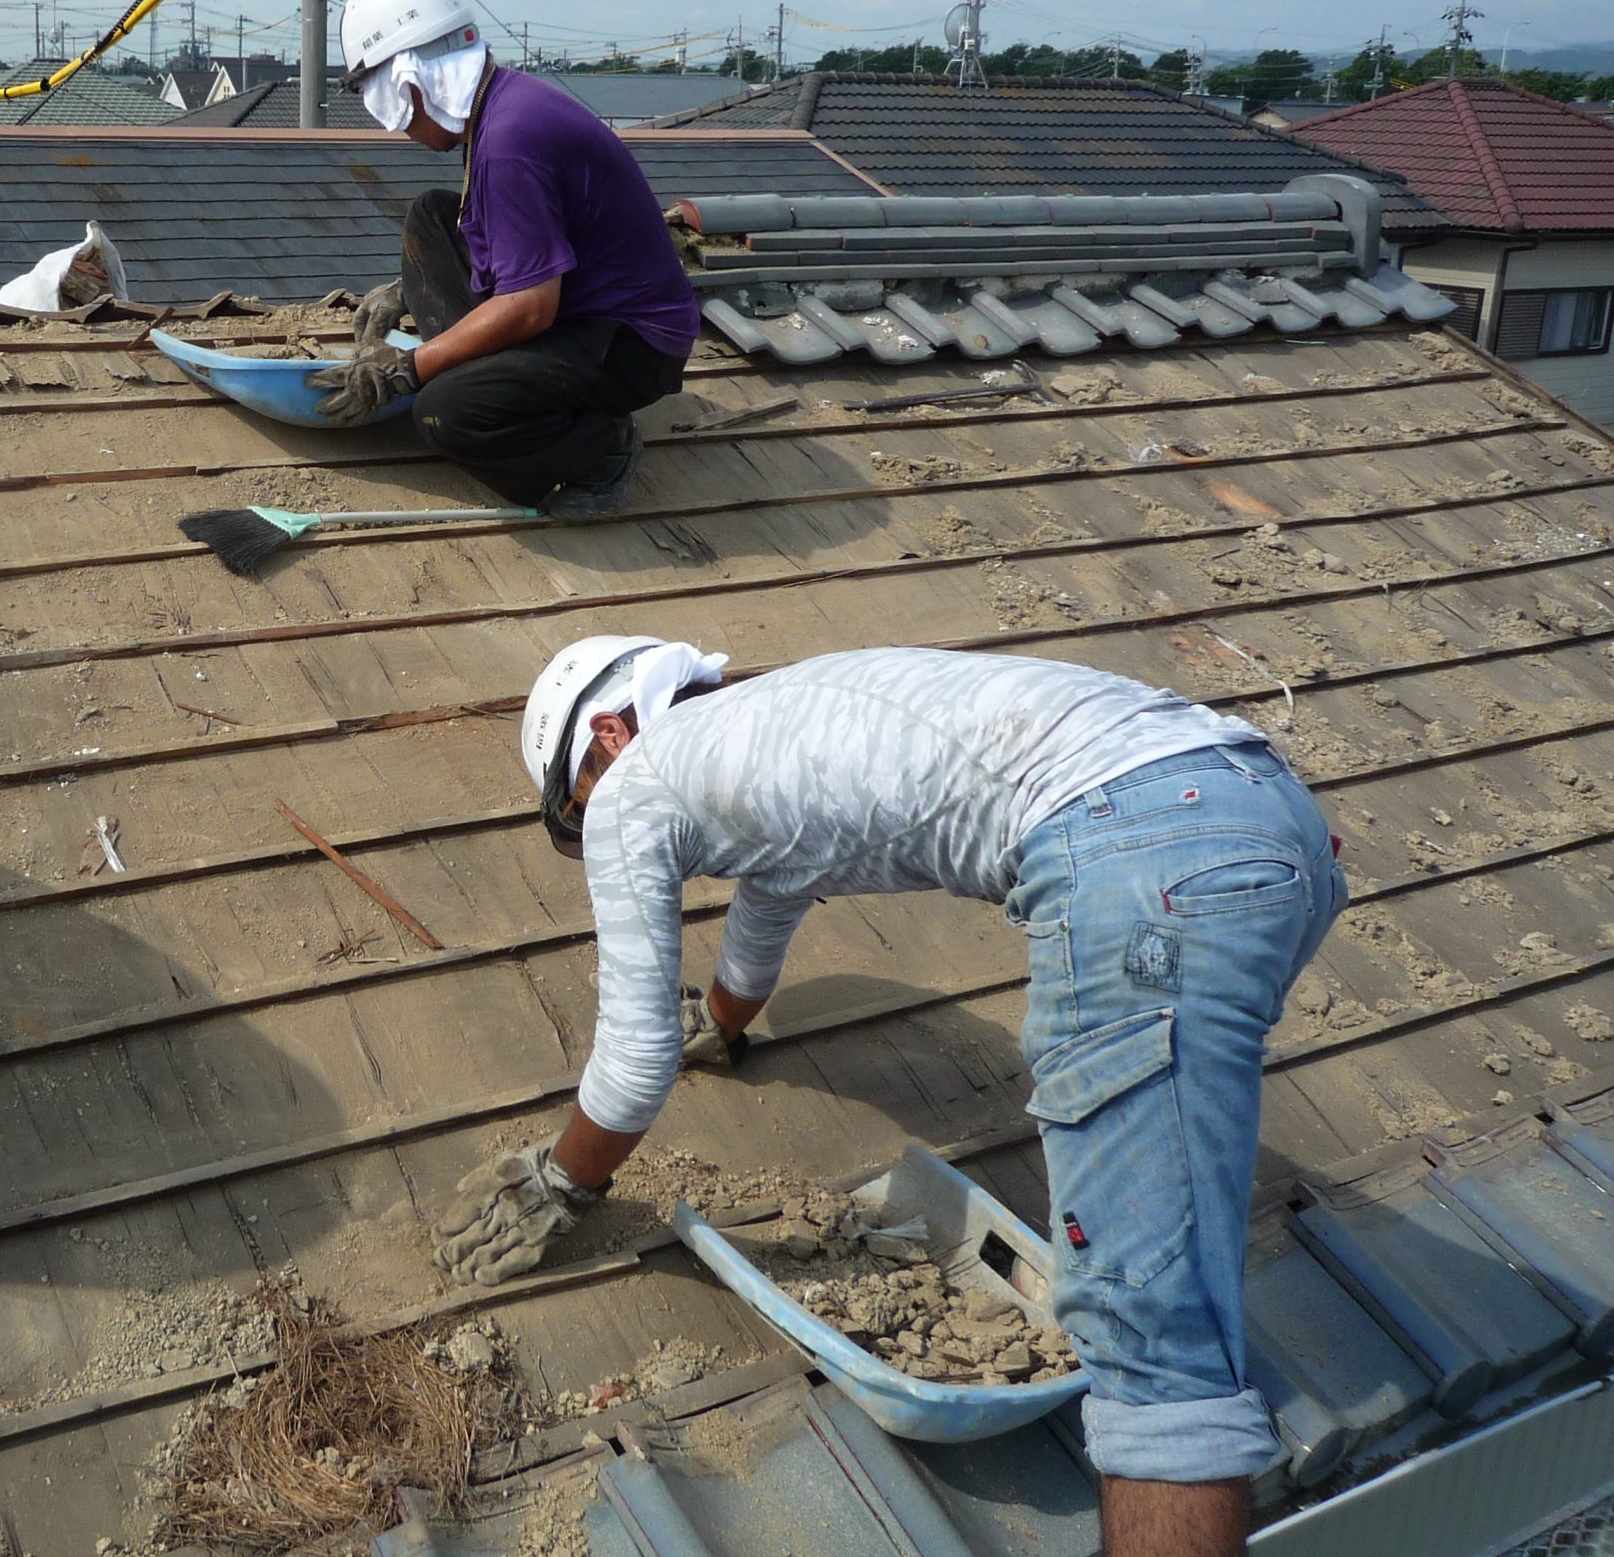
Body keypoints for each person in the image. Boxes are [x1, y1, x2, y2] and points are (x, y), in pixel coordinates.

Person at [435, 637, 1347, 1557]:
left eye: (580, 804)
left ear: (608, 730)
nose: (595, 824)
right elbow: (759, 925)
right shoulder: (778, 732)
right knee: (1178, 1222)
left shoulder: (640, 784)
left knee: (1155, 1353)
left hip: (1142, 854)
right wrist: (717, 1023)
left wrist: (562, 1184)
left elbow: (632, 1065)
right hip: (1266, 811)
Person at [309, 0, 700, 520]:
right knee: (431, 218)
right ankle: (498, 379)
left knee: (447, 414)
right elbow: (510, 241)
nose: (399, 129)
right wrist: (407, 288)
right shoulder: (501, 106)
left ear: (412, 81)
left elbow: (531, 308)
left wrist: (408, 368)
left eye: (394, 109)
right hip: (577, 302)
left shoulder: (512, 138)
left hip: (632, 343)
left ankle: (600, 448)